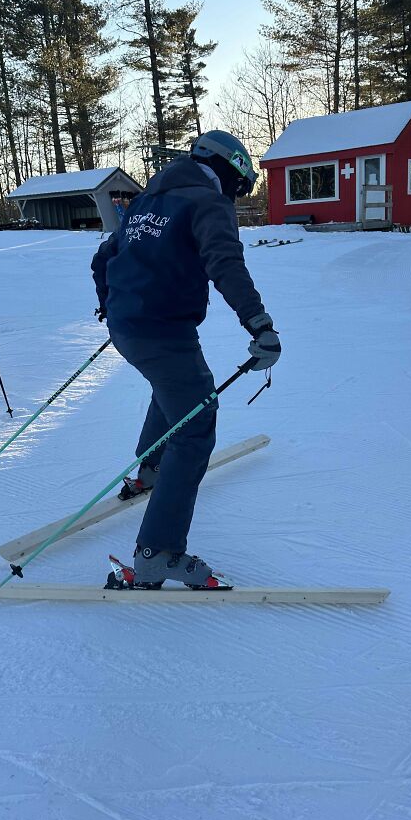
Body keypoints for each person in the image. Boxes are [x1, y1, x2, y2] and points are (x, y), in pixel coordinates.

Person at [91, 130, 281, 589]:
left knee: (177, 391)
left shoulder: (147, 200)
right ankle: (159, 553)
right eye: (238, 186)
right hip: (162, 331)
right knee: (196, 424)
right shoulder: (205, 201)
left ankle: (150, 470)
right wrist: (259, 325)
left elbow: (103, 257)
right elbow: (226, 263)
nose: (234, 198)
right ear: (228, 170)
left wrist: (112, 305)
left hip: (130, 327)